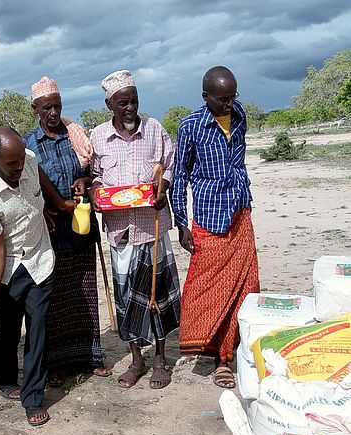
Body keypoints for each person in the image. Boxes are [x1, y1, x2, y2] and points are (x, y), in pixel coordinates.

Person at [89, 70, 181, 389]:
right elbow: (96, 176)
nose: (130, 108)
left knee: (157, 296)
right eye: (122, 103)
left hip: (151, 228)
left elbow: (169, 165)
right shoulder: (98, 136)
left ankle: (159, 359)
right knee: (126, 297)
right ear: (109, 104)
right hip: (120, 232)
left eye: (134, 101)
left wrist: (162, 189)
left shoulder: (154, 130)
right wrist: (97, 197)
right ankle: (136, 359)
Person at [170, 66, 260, 389]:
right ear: (205, 96)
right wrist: (181, 223)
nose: (228, 104)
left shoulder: (240, 117)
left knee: (244, 286)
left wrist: (242, 195)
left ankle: (226, 357)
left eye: (232, 97)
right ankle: (205, 348)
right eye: (221, 99)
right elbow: (179, 177)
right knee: (205, 287)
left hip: (239, 212)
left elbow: (239, 159)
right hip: (209, 218)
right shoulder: (191, 127)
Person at [22, 77, 112, 387]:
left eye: (57, 106)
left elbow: (93, 173)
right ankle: (57, 364)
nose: (54, 112)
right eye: (47, 107)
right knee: (57, 295)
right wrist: (44, 208)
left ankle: (90, 357)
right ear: (35, 109)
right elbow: (24, 188)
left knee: (85, 289)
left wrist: (85, 183)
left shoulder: (75, 136)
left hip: (81, 222)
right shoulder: (28, 144)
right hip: (50, 229)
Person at [0, 127, 54, 427]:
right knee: (7, 327)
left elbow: (39, 179)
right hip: (7, 265)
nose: (19, 166)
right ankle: (3, 379)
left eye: (20, 159)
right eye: (11, 163)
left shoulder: (27, 158)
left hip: (40, 258)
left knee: (37, 329)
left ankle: (32, 398)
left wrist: (49, 205)